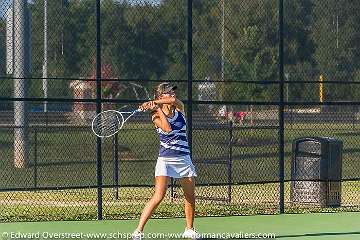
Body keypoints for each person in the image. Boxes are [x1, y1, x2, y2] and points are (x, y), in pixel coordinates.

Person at [132, 82, 199, 240]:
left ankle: (189, 229)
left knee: (190, 195)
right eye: (168, 92)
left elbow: (173, 102)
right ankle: (139, 230)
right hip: (166, 159)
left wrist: (155, 103)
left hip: (184, 158)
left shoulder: (179, 108)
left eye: (173, 91)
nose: (173, 94)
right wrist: (156, 108)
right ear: (161, 96)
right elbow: (167, 128)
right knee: (159, 196)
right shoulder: (155, 116)